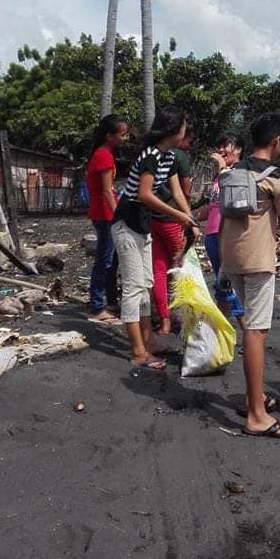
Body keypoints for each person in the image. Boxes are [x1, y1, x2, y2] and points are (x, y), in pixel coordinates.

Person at [219, 113, 280, 439]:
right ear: (277, 142)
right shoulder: (278, 177)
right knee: (256, 332)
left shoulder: (233, 170)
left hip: (231, 258)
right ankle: (257, 415)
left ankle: (254, 397)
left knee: (251, 326)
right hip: (259, 261)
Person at [111, 107, 199, 370]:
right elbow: (146, 194)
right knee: (133, 287)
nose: (185, 131)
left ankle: (148, 342)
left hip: (143, 225)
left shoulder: (169, 156)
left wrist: (189, 217)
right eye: (183, 126)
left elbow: (176, 192)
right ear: (174, 131)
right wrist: (178, 216)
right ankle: (138, 351)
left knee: (147, 282)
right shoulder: (150, 156)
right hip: (127, 224)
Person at [149, 122, 195, 335]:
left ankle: (164, 321)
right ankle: (189, 318)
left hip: (153, 219)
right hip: (173, 220)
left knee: (159, 271)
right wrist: (188, 218)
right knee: (183, 268)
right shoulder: (179, 157)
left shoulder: (152, 154)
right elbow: (184, 191)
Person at [198, 134, 245, 330]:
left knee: (227, 283)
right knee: (222, 283)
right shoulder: (219, 175)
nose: (221, 151)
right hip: (212, 233)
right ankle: (222, 331)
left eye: (226, 146)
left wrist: (222, 167)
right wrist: (188, 216)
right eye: (219, 147)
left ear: (239, 149)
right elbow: (213, 206)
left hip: (226, 234)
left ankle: (245, 328)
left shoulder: (240, 171)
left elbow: (234, 197)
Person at [85, 114, 129, 322]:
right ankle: (96, 306)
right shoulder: (104, 156)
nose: (125, 138)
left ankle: (109, 301)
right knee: (104, 260)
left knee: (111, 260)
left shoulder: (103, 154)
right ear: (110, 136)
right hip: (105, 214)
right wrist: (118, 216)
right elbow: (105, 191)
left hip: (104, 212)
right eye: (122, 134)